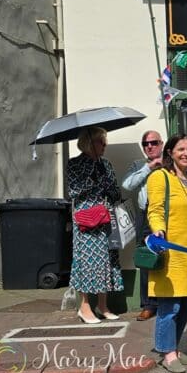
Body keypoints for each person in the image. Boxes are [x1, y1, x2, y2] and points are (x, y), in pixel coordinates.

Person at [146, 134, 187, 373]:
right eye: (181, 149)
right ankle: (167, 353)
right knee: (169, 306)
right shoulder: (159, 177)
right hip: (171, 251)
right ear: (170, 152)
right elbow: (155, 210)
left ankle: (175, 348)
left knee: (184, 305)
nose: (186, 153)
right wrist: (158, 230)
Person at [67, 126, 124, 324]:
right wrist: (93, 179)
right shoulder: (75, 164)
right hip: (87, 220)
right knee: (87, 261)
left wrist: (107, 183)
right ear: (89, 142)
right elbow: (73, 191)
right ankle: (84, 307)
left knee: (107, 261)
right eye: (101, 141)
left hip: (106, 220)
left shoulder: (106, 164)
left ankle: (103, 305)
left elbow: (116, 193)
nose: (105, 145)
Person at [122, 130, 164, 322]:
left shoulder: (171, 163)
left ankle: (169, 301)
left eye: (154, 143)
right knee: (147, 259)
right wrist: (149, 167)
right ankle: (149, 305)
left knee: (170, 257)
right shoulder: (139, 165)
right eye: (146, 144)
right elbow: (128, 185)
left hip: (167, 215)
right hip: (145, 216)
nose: (150, 146)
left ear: (161, 144)